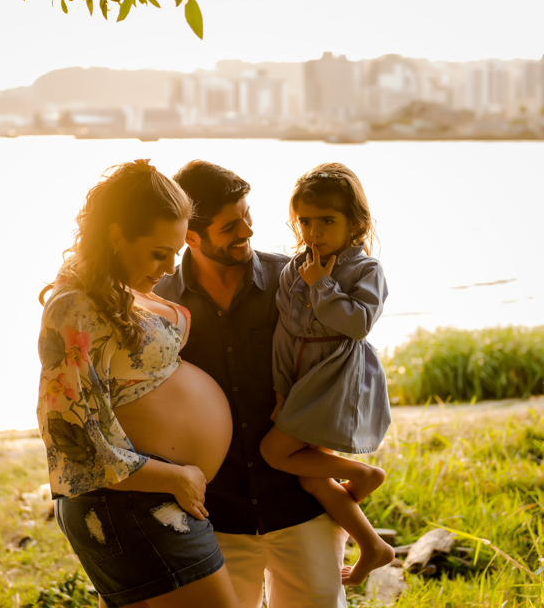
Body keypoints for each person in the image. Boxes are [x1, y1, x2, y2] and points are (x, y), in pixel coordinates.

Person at [36, 160, 240, 608]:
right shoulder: (74, 307)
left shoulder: (118, 289)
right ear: (115, 236)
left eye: (176, 253)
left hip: (147, 501)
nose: (169, 268)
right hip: (130, 503)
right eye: (157, 253)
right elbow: (72, 437)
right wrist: (177, 476)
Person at [154, 160, 349, 608]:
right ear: (191, 235)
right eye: (230, 225)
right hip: (213, 517)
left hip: (300, 503)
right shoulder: (158, 302)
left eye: (247, 214)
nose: (247, 230)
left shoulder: (295, 281)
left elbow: (337, 365)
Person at [259, 163, 395, 586]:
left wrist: (322, 285)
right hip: (301, 377)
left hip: (337, 375)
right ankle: (373, 546)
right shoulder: (294, 269)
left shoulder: (364, 269)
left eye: (327, 221)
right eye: (305, 221)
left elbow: (357, 324)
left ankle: (364, 475)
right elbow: (285, 336)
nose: (314, 232)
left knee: (274, 451)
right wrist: (283, 391)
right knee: (311, 478)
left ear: (355, 224)